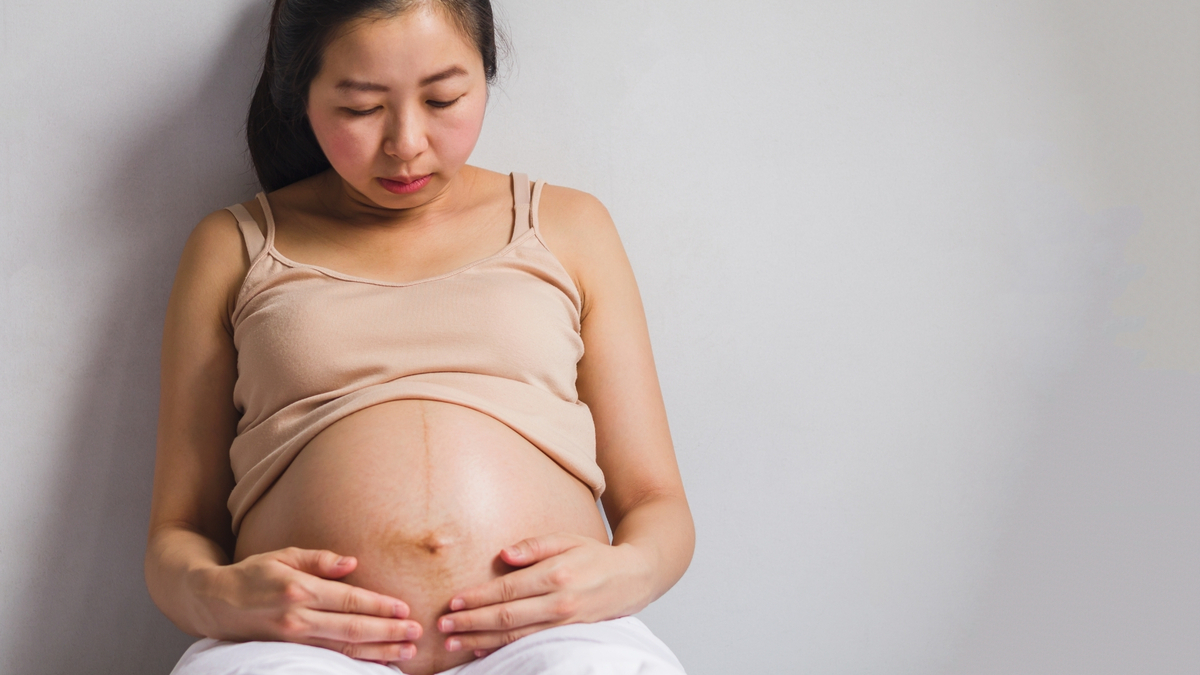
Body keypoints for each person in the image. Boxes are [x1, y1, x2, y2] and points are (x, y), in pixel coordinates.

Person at [144, 1, 694, 674]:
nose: (406, 141)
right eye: (360, 108)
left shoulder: (570, 227)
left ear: (485, 77)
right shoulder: (233, 246)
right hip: (297, 651)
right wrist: (218, 594)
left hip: (552, 639)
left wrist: (625, 573)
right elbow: (179, 535)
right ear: (302, 95)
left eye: (443, 98)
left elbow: (656, 504)